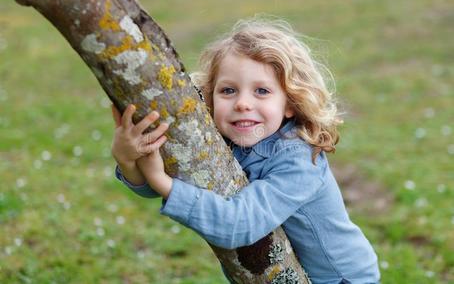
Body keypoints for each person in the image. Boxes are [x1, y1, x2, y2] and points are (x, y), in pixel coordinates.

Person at [111, 18, 380, 283]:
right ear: (211, 96)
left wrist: (160, 180)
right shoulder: (222, 140)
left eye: (262, 91)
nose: (242, 103)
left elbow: (240, 225)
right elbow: (167, 184)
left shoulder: (299, 160)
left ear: (290, 104)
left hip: (341, 278)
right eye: (228, 90)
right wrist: (128, 160)